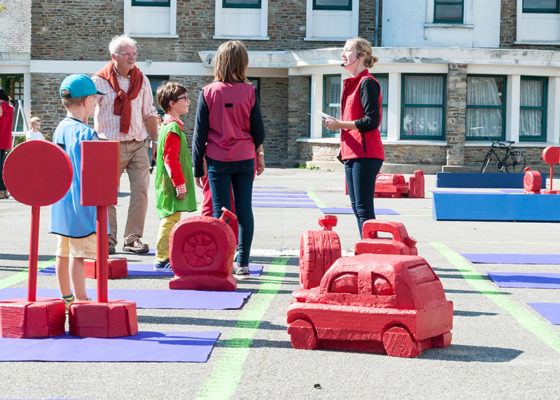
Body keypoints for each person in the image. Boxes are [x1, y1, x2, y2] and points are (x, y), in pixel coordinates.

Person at [192, 40, 265, 277]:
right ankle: (243, 261)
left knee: (219, 211)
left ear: (219, 62)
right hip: (245, 156)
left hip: (217, 159)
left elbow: (199, 133)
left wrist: (196, 167)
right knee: (244, 209)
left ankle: (220, 260)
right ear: (243, 63)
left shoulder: (208, 92)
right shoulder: (250, 91)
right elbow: (258, 131)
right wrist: (260, 154)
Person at [92, 34, 159, 255]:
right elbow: (86, 111)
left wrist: (156, 141)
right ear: (114, 56)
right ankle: (107, 240)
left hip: (138, 144)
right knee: (107, 195)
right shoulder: (98, 81)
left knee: (141, 192)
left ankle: (133, 239)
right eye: (127, 54)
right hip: (108, 145)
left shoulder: (142, 79)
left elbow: (149, 113)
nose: (132, 58)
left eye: (134, 54)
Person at [49, 74, 105, 308]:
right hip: (81, 202)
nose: (96, 104)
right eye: (94, 100)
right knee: (78, 254)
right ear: (86, 101)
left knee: (63, 251)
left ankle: (66, 296)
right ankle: (81, 301)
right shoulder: (86, 133)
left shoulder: (59, 129)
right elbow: (96, 173)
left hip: (61, 200)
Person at [323, 37, 384, 238]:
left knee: (364, 208)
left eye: (348, 50)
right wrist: (342, 141)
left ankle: (372, 250)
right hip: (353, 153)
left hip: (366, 154)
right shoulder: (351, 84)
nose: (343, 54)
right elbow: (353, 120)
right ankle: (368, 247)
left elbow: (372, 121)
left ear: (361, 56)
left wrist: (340, 125)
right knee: (358, 207)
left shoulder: (367, 83)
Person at [153, 82, 197, 270]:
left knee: (171, 218)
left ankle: (166, 255)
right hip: (169, 184)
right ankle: (162, 258)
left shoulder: (170, 126)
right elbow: (171, 159)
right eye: (184, 98)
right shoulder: (172, 128)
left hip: (168, 183)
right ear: (172, 103)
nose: (188, 101)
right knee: (170, 219)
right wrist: (179, 184)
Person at [0, 88, 14, 200]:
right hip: (5, 140)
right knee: (1, 166)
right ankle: (4, 191)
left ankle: (1, 191)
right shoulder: (10, 108)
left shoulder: (1, 107)